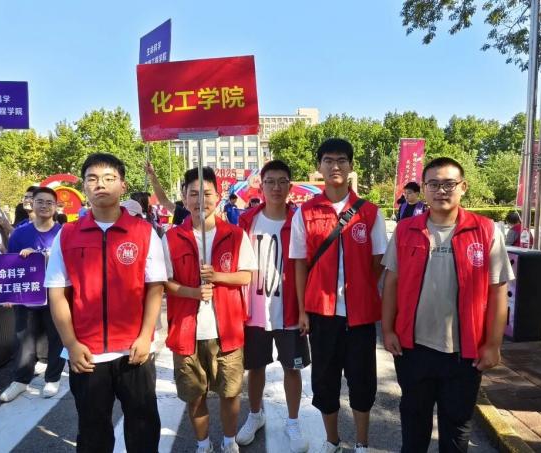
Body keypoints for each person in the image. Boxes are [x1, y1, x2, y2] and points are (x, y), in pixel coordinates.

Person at [381, 157, 514, 453]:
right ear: (424, 189)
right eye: (433, 184)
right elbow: (391, 284)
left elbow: (498, 291)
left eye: (449, 184)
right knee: (414, 427)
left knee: (457, 431)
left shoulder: (485, 230)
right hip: (413, 349)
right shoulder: (405, 230)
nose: (441, 190)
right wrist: (388, 330)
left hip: (463, 353)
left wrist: (493, 345)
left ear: (463, 187)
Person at [45, 153, 166, 453]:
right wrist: (71, 344)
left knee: (143, 428)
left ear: (122, 185)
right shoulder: (67, 235)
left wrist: (145, 336)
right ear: (84, 186)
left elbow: (155, 287)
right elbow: (57, 293)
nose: (100, 185)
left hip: (134, 350)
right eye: (93, 179)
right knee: (93, 431)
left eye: (109, 178)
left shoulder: (143, 232)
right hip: (86, 354)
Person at [290, 138, 387, 453]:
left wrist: (360, 290)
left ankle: (361, 443)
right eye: (328, 160)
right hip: (322, 314)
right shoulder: (305, 212)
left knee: (362, 382)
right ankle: (332, 440)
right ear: (319, 166)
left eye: (342, 160)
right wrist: (303, 310)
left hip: (360, 316)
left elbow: (378, 262)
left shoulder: (369, 212)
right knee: (325, 381)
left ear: (351, 166)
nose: (335, 166)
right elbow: (300, 264)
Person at [162, 167, 257, 453]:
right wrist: (192, 292)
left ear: (218, 196)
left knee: (230, 392)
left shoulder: (235, 235)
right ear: (184, 198)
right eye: (193, 194)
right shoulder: (172, 238)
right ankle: (203, 444)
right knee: (194, 395)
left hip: (227, 329)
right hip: (186, 331)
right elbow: (165, 282)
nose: (200, 200)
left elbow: (246, 275)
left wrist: (217, 276)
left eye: (206, 193)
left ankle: (229, 441)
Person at [236, 160, 310, 452]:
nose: (276, 187)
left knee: (292, 368)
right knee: (255, 367)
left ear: (290, 186)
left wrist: (304, 309)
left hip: (288, 309)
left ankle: (293, 421)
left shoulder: (299, 220)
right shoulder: (247, 221)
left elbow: (306, 267)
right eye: (270, 181)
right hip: (254, 311)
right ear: (261, 185)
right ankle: (255, 415)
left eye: (282, 181)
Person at [0, 187, 65, 402]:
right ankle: (20, 380)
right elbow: (10, 265)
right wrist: (8, 294)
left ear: (56, 206)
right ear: (32, 204)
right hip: (26, 296)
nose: (44, 206)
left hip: (55, 295)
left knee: (56, 337)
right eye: (40, 201)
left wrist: (44, 257)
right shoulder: (19, 233)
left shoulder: (64, 233)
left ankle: (53, 378)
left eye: (49, 202)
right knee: (23, 338)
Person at [143, 160, 190, 225]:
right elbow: (163, 200)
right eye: (184, 195)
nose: (186, 198)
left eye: (190, 194)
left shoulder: (202, 215)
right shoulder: (182, 213)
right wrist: (152, 175)